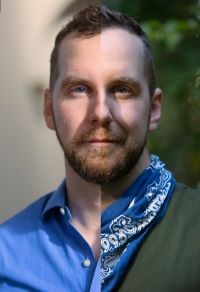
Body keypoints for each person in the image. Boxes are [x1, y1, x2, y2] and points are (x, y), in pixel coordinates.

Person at [0, 4, 199, 292]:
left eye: (122, 88)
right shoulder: (6, 255)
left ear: (154, 110)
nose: (101, 112)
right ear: (49, 109)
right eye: (79, 89)